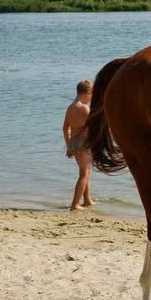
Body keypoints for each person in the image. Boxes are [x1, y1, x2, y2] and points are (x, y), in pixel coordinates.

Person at [63, 80, 95, 211]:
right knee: (84, 174)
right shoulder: (84, 108)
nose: (91, 97)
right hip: (84, 143)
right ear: (86, 93)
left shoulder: (70, 108)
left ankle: (87, 200)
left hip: (75, 143)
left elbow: (65, 128)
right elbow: (93, 126)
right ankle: (75, 204)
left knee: (84, 171)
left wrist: (69, 145)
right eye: (91, 94)